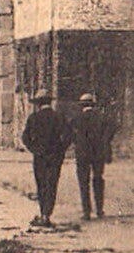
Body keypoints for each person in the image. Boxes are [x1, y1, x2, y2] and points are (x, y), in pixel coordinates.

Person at [22, 92, 73, 227]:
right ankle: (46, 214)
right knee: (52, 184)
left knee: (41, 184)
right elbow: (69, 135)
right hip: (55, 155)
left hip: (40, 156)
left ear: (38, 104)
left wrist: (34, 149)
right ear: (49, 102)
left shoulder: (33, 118)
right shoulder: (58, 117)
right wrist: (61, 149)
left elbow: (25, 138)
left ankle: (43, 213)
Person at [73, 92, 115, 221]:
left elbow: (72, 135)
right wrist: (105, 142)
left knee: (83, 181)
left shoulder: (76, 119)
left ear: (82, 106)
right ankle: (99, 209)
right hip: (98, 153)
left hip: (82, 154)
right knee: (98, 179)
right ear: (93, 105)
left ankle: (86, 211)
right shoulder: (102, 117)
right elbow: (112, 129)